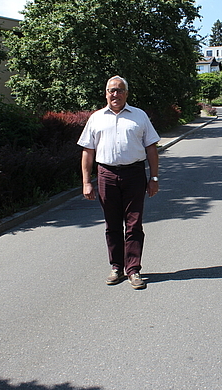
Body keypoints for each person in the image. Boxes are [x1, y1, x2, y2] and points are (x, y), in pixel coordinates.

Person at [78, 75, 160, 290]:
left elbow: (151, 147)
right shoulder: (96, 118)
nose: (115, 94)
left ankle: (133, 269)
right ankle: (116, 266)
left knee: (134, 224)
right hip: (106, 175)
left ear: (126, 94)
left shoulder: (139, 116)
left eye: (120, 90)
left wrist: (153, 178)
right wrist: (87, 182)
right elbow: (88, 151)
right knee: (112, 224)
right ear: (106, 93)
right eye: (111, 90)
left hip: (134, 174)